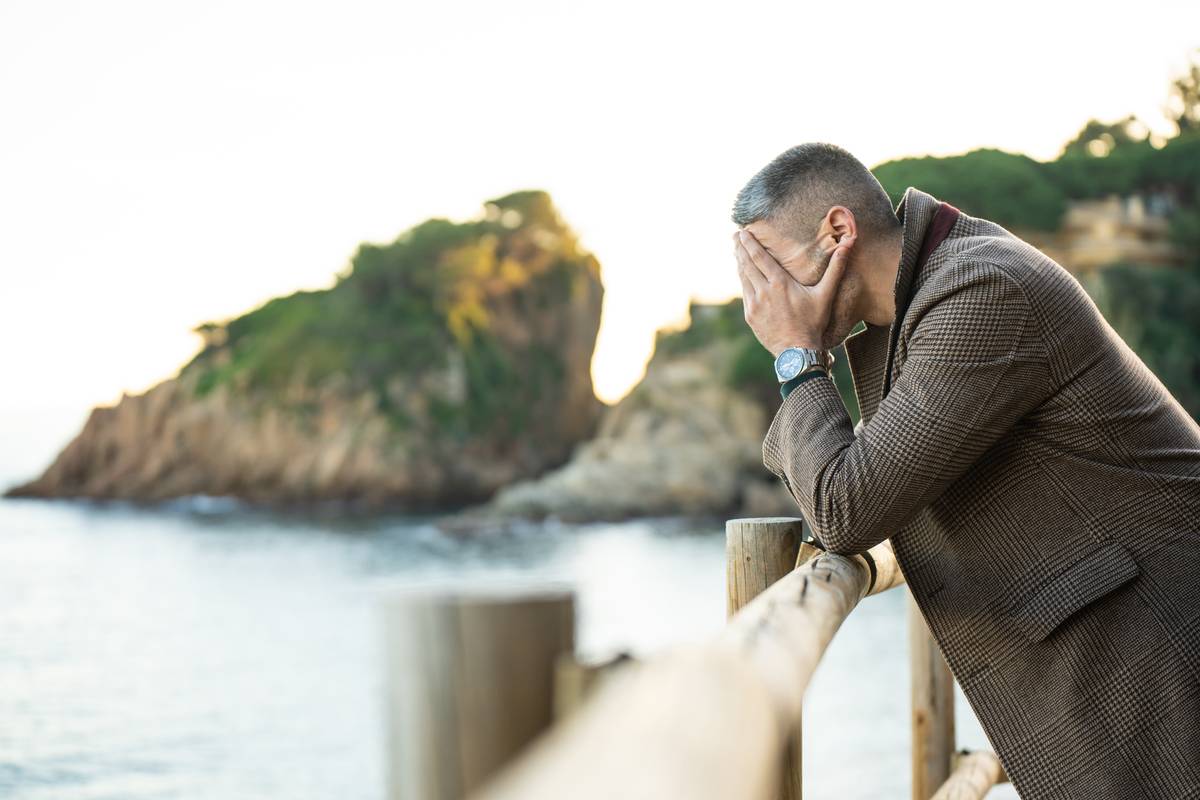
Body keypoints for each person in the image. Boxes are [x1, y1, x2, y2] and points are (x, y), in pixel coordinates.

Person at [731, 142, 1200, 800]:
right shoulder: (927, 304)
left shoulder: (980, 291)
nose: (762, 302)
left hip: (1162, 663)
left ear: (837, 231)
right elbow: (843, 494)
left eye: (768, 268)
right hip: (1126, 670)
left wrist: (795, 359)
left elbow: (844, 510)